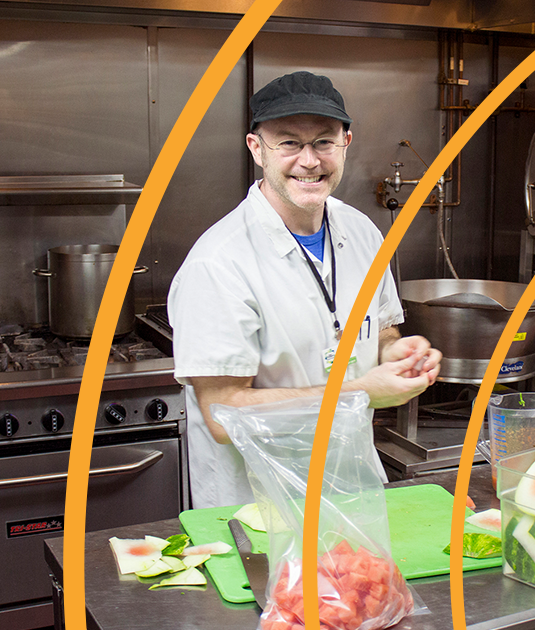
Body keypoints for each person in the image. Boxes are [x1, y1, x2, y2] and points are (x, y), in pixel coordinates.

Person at [168, 71, 441, 509]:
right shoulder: (218, 263)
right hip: (258, 507)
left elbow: (382, 330)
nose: (310, 160)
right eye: (289, 143)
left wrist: (397, 353)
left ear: (346, 143)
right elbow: (222, 414)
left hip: (352, 491)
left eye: (323, 142)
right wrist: (363, 392)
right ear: (257, 149)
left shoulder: (362, 232)